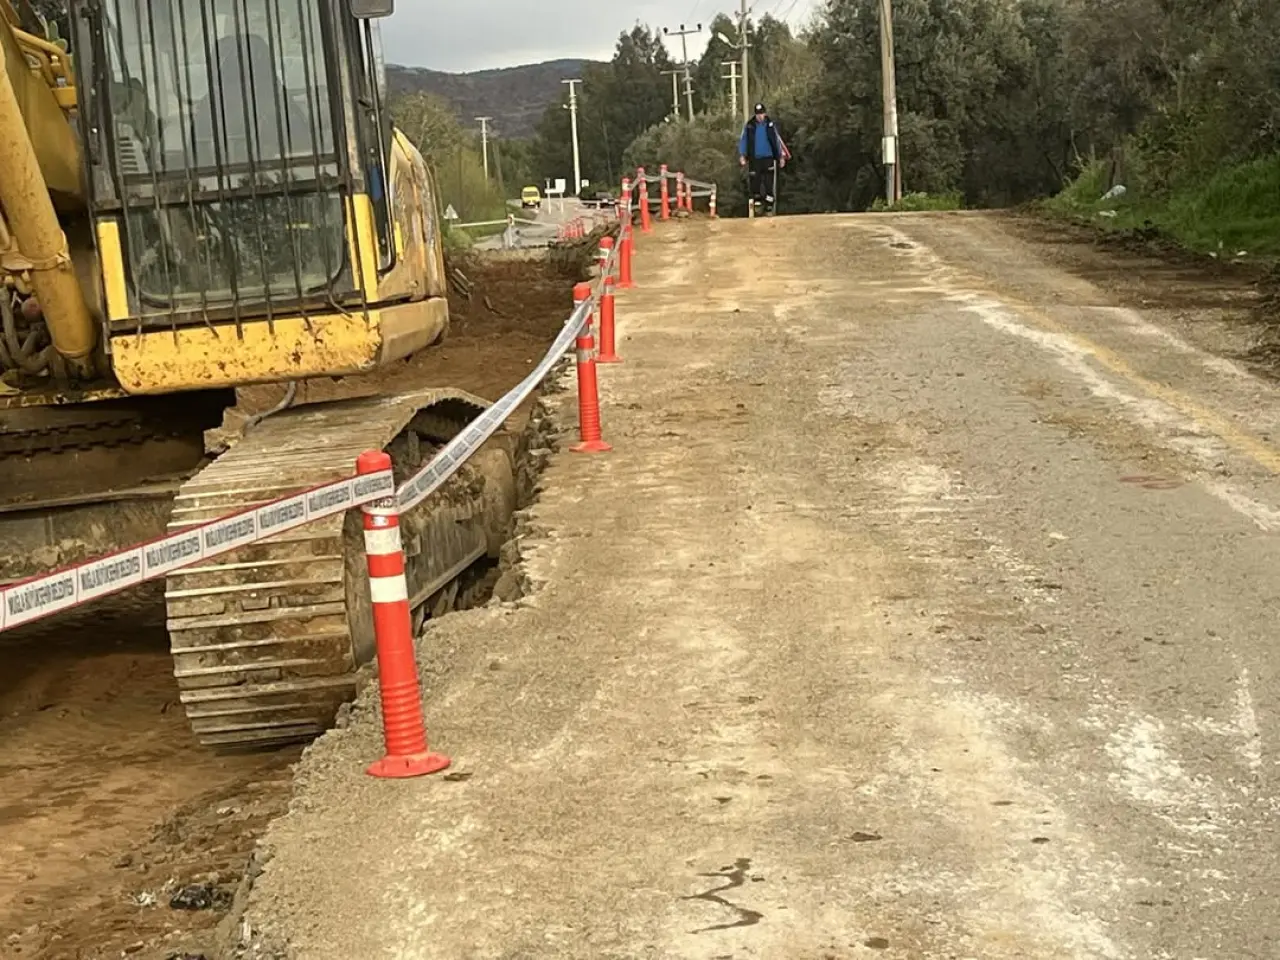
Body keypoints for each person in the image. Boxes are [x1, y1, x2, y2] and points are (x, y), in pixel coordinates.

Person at [737, 102, 791, 214]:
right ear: (755, 115)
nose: (760, 116)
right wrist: (742, 155)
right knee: (755, 183)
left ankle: (769, 207)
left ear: (765, 113)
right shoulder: (749, 126)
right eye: (758, 114)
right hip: (754, 159)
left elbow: (777, 141)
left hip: (768, 158)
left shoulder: (770, 125)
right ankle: (757, 206)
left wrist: (780, 157)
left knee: (769, 184)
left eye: (761, 114)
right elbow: (744, 141)